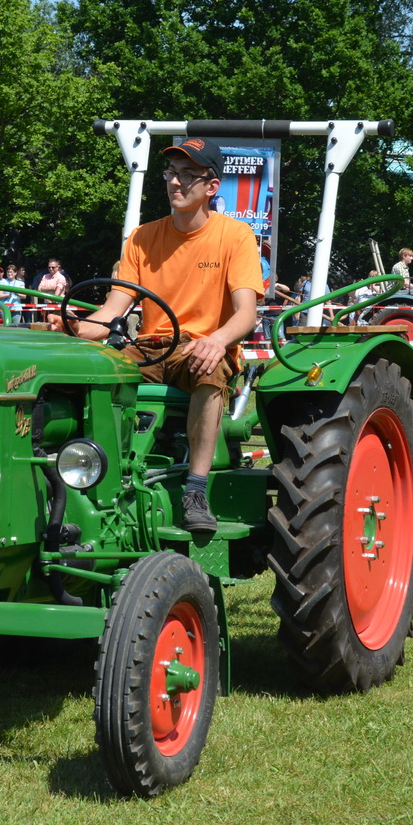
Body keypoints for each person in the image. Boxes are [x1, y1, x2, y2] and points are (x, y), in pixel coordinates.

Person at [65, 136, 263, 532]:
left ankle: (196, 489)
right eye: (171, 173)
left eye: (187, 175)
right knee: (88, 372)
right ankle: (87, 475)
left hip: (201, 347)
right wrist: (73, 328)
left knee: (209, 370)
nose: (175, 183)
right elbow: (111, 312)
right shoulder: (142, 238)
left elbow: (247, 314)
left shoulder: (235, 236)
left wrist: (217, 340)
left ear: (211, 187)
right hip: (150, 348)